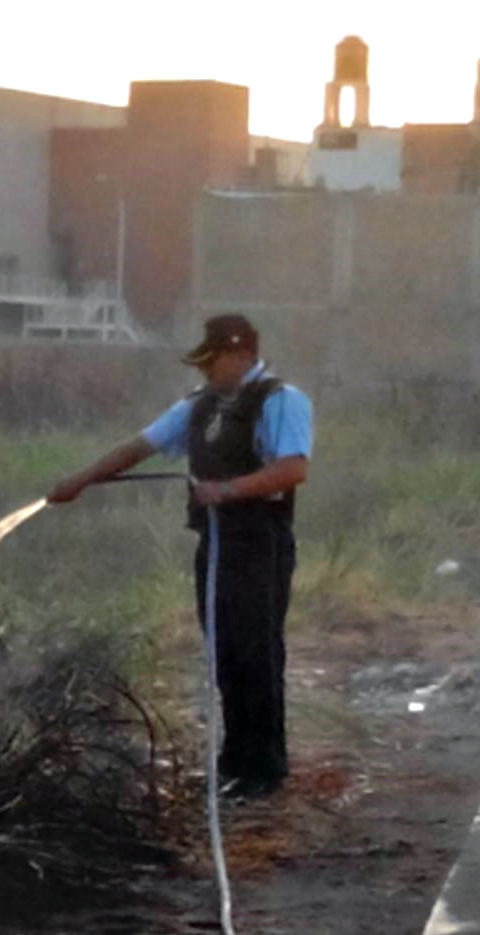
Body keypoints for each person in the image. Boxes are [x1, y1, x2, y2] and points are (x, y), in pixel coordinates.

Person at [48, 314, 313, 799]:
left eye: (213, 361)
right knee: (224, 651)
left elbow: (293, 468)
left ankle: (265, 767)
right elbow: (141, 446)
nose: (206, 372)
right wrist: (82, 480)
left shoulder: (280, 401)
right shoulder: (200, 407)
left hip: (260, 543)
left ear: (242, 355)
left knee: (256, 651)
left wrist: (228, 489)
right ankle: (234, 761)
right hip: (216, 541)